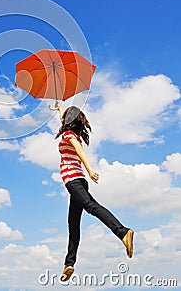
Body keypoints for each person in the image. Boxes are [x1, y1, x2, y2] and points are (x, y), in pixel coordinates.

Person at [55, 103, 134, 281]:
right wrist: (59, 108)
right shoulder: (73, 133)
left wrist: (90, 169)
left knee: (91, 206)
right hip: (79, 181)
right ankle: (69, 264)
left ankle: (123, 232)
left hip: (74, 180)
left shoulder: (69, 136)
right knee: (73, 224)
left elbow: (79, 150)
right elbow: (63, 120)